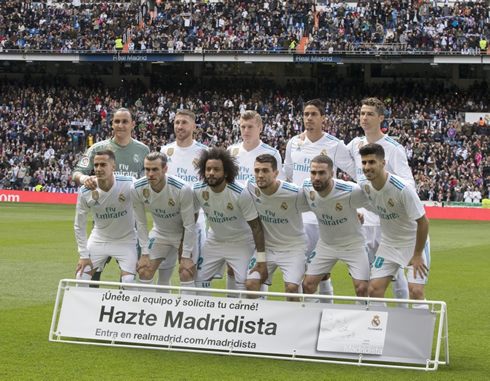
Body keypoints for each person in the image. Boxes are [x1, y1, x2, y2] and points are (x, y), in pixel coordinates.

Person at [284, 99, 356, 302]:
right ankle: (301, 315)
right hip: (297, 217)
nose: (309, 118)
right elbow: (286, 176)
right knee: (297, 272)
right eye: (306, 114)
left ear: (323, 118)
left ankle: (325, 311)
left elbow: (355, 174)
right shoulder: (293, 143)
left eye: (314, 114)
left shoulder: (334, 145)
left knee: (321, 272)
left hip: (323, 218)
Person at [347, 97, 414, 308]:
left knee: (394, 272)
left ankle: (402, 316)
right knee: (366, 276)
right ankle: (374, 321)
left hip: (387, 222)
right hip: (363, 222)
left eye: (370, 114)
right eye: (362, 114)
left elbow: (408, 183)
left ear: (381, 118)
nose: (364, 118)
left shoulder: (393, 148)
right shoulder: (354, 145)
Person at [72, 108, 149, 283]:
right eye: (116, 121)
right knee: (92, 272)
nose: (120, 125)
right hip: (102, 222)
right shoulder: (98, 148)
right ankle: (93, 307)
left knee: (129, 277)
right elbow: (77, 171)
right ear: (111, 123)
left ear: (133, 125)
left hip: (129, 225)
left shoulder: (142, 150)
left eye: (125, 121)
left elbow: (147, 180)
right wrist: (85, 179)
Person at [359, 144, 430, 308]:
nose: (367, 167)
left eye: (371, 162)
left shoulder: (402, 188)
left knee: (416, 293)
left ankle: (420, 334)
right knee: (374, 291)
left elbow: (423, 221)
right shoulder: (364, 185)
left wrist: (418, 254)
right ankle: (383, 330)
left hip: (412, 245)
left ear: (383, 163)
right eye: (364, 163)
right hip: (389, 244)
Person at [193, 147, 267, 293]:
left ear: (226, 172)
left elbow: (256, 226)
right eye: (208, 169)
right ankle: (202, 314)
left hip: (241, 241)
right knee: (198, 280)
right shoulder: (198, 189)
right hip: (215, 240)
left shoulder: (240, 193)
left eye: (216, 169)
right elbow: (192, 218)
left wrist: (261, 258)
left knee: (245, 284)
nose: (211, 173)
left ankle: (247, 312)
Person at [226, 110, 285, 294]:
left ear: (260, 128)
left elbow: (278, 187)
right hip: (236, 217)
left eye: (250, 127)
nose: (246, 131)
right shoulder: (231, 151)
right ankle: (232, 306)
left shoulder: (271, 153)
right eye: (243, 127)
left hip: (261, 218)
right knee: (231, 267)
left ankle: (260, 309)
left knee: (259, 266)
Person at [302, 155, 371, 302]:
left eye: (321, 173)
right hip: (326, 244)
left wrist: (361, 214)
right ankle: (316, 319)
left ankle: (363, 323)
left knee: (362, 288)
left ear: (332, 174)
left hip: (353, 245)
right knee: (307, 285)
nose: (316, 177)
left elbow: (373, 205)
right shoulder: (307, 187)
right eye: (313, 173)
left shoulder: (351, 190)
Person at [131, 152, 197, 293]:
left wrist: (186, 255)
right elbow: (141, 222)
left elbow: (189, 224)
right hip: (160, 232)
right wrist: (144, 253)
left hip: (183, 233)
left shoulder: (182, 189)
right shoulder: (137, 188)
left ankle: (188, 312)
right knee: (144, 270)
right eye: (147, 169)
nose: (150, 174)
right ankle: (149, 312)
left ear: (165, 169)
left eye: (155, 169)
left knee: (186, 272)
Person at [246, 154, 308, 301]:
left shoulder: (294, 193)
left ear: (276, 173)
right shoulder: (250, 186)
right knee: (250, 285)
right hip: (267, 248)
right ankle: (258, 322)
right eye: (257, 170)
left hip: (293, 248)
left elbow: (319, 205)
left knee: (292, 289)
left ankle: (294, 323)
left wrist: (355, 213)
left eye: (265, 171)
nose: (260, 175)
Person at [73, 150, 137, 287]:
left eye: (103, 165)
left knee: (129, 282)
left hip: (125, 240)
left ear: (113, 167)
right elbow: (79, 225)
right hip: (99, 239)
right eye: (96, 165)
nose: (98, 169)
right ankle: (86, 309)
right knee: (80, 278)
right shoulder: (85, 191)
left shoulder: (129, 183)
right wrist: (83, 255)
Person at [160, 109, 207, 288]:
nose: (180, 126)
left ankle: (196, 313)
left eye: (184, 122)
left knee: (193, 273)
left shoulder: (204, 152)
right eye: (177, 122)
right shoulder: (165, 151)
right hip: (169, 221)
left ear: (194, 126)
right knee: (164, 270)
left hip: (195, 220)